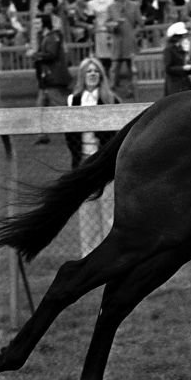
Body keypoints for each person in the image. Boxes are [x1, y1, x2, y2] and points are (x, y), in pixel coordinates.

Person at [65, 57, 120, 256]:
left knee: (108, 206)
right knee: (87, 208)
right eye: (88, 71)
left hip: (105, 162)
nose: (92, 74)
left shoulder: (110, 98)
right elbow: (69, 135)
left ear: (101, 75)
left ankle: (109, 252)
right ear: (82, 76)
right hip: (83, 162)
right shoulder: (73, 100)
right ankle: (88, 253)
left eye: (96, 71)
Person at [29, 14, 72, 145]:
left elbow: (51, 55)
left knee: (60, 105)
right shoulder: (46, 37)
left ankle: (75, 128)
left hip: (53, 78)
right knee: (40, 105)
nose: (36, 26)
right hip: (46, 79)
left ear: (44, 23)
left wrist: (34, 55)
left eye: (38, 23)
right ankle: (42, 134)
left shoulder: (52, 37)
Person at [163, 21, 191, 95]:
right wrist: (183, 68)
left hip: (185, 82)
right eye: (182, 35)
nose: (184, 37)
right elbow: (168, 68)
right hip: (175, 83)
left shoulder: (182, 48)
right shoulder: (169, 50)